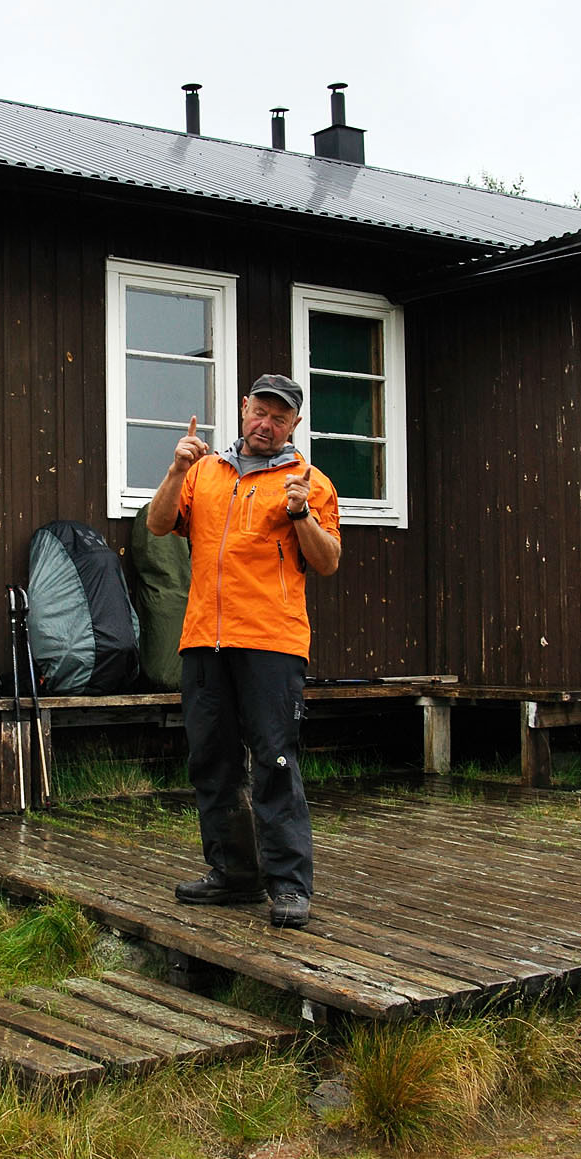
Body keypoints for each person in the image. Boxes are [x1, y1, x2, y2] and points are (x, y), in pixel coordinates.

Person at [145, 373, 341, 928]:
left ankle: (288, 885)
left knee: (274, 761)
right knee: (212, 759)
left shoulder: (311, 481)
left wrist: (302, 513)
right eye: (260, 411)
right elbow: (160, 524)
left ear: (294, 425)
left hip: (271, 643)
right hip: (204, 638)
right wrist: (176, 468)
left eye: (280, 418)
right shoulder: (205, 472)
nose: (266, 424)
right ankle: (233, 875)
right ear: (243, 408)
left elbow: (326, 561)